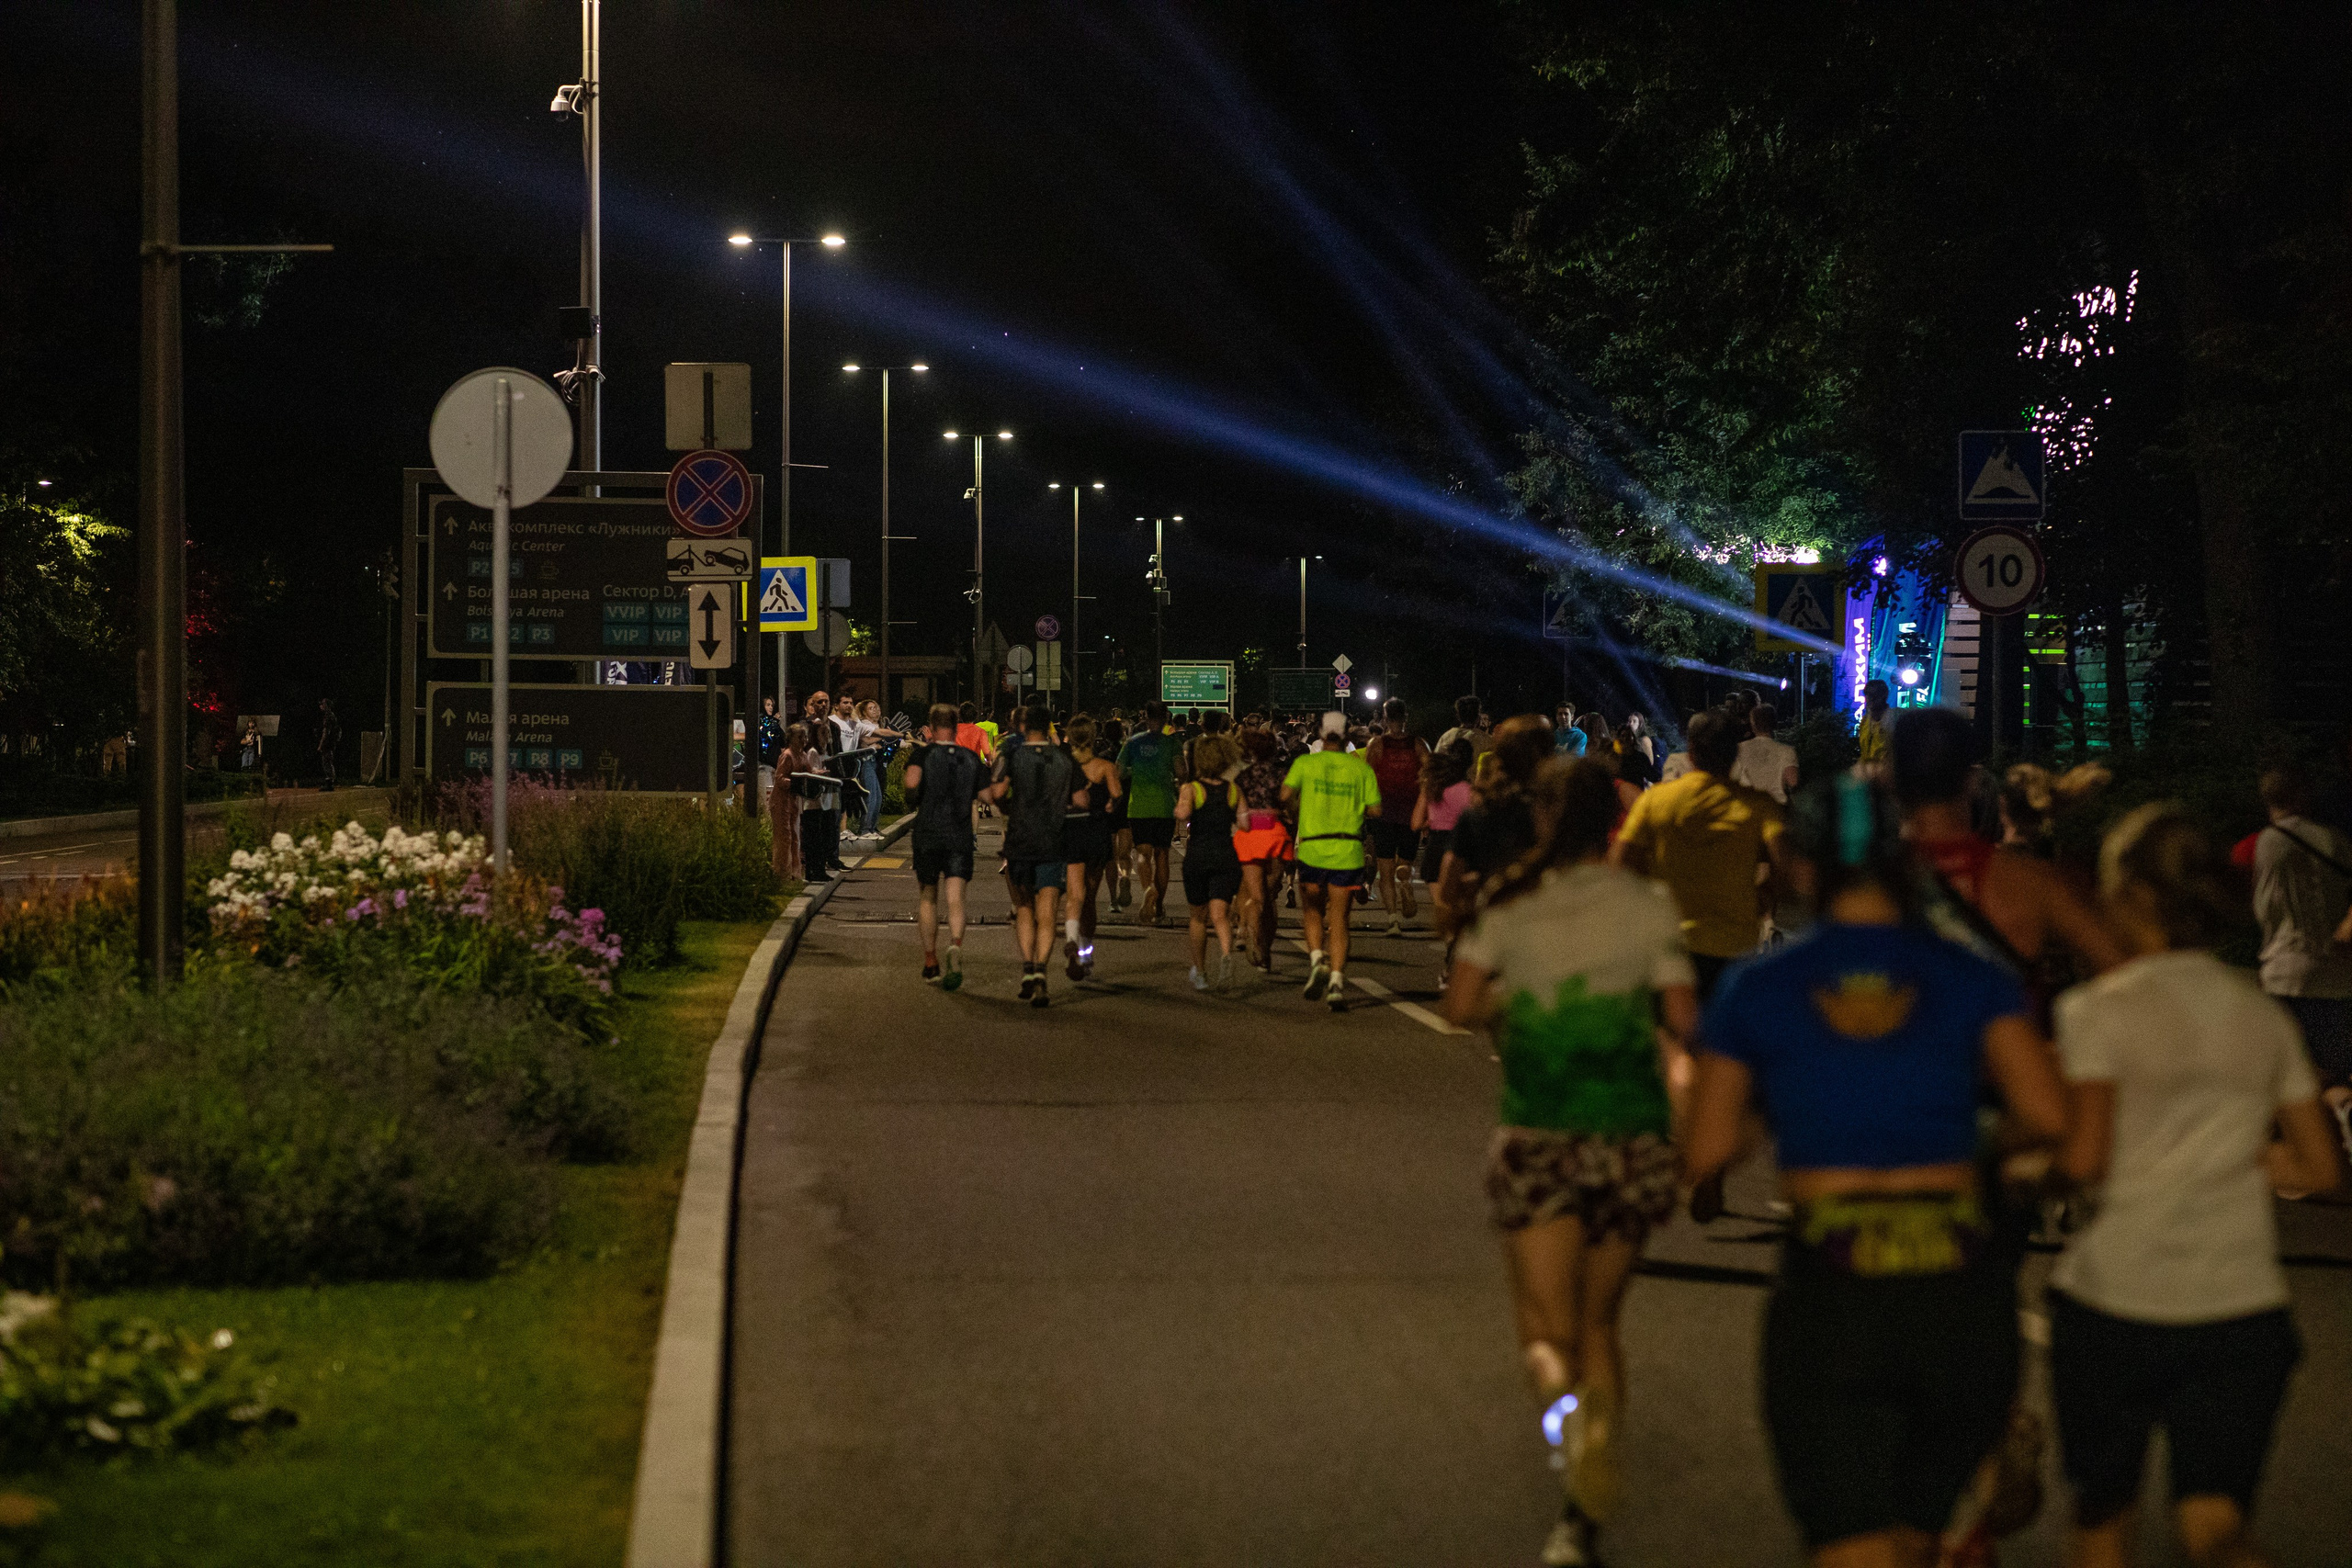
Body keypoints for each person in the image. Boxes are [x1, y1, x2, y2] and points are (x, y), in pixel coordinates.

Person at [1683, 776, 2069, 1568]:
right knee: (1915, 1536)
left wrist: (1788, 1106)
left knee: (1854, 1545)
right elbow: (2049, 1115)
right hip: (1961, 1289)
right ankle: (1978, 1482)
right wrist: (1965, 1133)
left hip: (1836, 1287)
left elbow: (1708, 1147)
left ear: (1798, 866)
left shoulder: (1761, 986)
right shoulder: (1972, 975)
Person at [2048, 803, 2346, 1568]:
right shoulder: (2262, 1018)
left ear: (2131, 896)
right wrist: (2236, 1158)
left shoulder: (2093, 1012)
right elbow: (2317, 1168)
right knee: (2216, 1530)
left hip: (2116, 1298)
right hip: (2241, 1309)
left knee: (2106, 1526)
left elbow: (2083, 1159)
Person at [1443, 759, 1698, 1568]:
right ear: (1613, 822)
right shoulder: (1649, 906)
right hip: (1630, 1133)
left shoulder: (1512, 901)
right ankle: (1582, 1511)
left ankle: (1566, 1417)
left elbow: (1459, 1006)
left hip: (1541, 1131)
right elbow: (1684, 1018)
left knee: (1545, 1328)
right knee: (1600, 1325)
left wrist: (1521, 1003)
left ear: (1542, 820)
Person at [1611, 709, 1783, 1004]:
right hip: (1735, 949)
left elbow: (1618, 868)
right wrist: (1762, 898)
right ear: (1734, 754)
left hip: (1669, 949)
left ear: (1690, 752)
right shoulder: (1760, 807)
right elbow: (1790, 871)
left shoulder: (1655, 800)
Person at [2248, 769, 2352, 1134]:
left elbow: (2265, 907)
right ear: (2303, 796)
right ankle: (2345, 1110)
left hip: (2286, 970)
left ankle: (2304, 1151)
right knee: (2334, 1067)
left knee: (2290, 1070)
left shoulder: (2269, 841)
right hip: (2338, 973)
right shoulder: (2336, 839)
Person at [1282, 712, 1382, 1010]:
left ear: (1321, 735)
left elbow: (1285, 794)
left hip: (1313, 848)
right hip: (1347, 850)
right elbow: (1375, 811)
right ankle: (1337, 981)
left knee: (1312, 912)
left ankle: (1316, 961)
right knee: (1340, 920)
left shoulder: (1306, 763)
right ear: (1347, 736)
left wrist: (1296, 810)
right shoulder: (1359, 769)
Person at [985, 704, 1074, 1007]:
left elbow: (996, 793)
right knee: (1048, 911)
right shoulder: (1064, 758)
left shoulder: (1011, 755)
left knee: (1023, 906)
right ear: (1049, 726)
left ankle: (1026, 967)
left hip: (1021, 838)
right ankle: (1041, 971)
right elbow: (1079, 799)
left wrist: (1009, 808)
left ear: (1023, 726)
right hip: (1053, 839)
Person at [902, 704, 984, 989]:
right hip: (959, 834)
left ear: (931, 726)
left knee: (927, 896)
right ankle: (956, 945)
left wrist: (917, 795)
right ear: (957, 725)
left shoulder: (922, 754)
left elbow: (911, 788)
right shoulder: (970, 758)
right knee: (956, 898)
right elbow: (985, 794)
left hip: (928, 832)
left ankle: (930, 961)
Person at [1175, 731, 1246, 991]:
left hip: (1198, 856)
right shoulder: (1233, 790)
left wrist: (1181, 807)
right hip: (1226, 855)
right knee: (1220, 915)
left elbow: (1182, 814)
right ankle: (1226, 955)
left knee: (1197, 917)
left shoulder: (1191, 789)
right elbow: (1245, 823)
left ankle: (1201, 973)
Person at [1060, 715, 1122, 982]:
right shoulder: (1105, 767)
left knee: (1074, 894)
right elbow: (1116, 796)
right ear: (1094, 736)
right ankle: (1085, 952)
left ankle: (1071, 938)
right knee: (1091, 897)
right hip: (1097, 833)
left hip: (1071, 831)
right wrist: (1109, 807)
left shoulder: (1063, 766)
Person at [1363, 698, 1428, 935]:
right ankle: (1406, 880)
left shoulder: (1376, 744)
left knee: (1385, 869)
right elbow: (1430, 776)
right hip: (1411, 811)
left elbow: (1367, 777)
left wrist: (1365, 807)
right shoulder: (1419, 744)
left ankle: (1393, 921)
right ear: (1406, 717)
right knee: (1405, 862)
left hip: (1383, 812)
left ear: (1385, 718)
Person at [1231, 728, 1293, 973]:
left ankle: (1251, 931)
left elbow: (1238, 810)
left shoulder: (1242, 778)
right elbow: (1290, 804)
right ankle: (1265, 950)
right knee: (1270, 894)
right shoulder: (1281, 775)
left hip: (1249, 836)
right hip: (1276, 834)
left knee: (1256, 896)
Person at [1116, 700, 1181, 926]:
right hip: (1164, 805)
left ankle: (1148, 889)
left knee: (1143, 853)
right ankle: (1160, 905)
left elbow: (1119, 771)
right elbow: (1182, 772)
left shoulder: (1132, 743)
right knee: (1163, 854)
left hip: (1139, 805)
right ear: (1165, 718)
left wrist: (1137, 770)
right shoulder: (1172, 743)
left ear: (1145, 716)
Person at [1732, 703, 1800, 805]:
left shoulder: (1740, 749)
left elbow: (1733, 778)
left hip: (1749, 807)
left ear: (1753, 724)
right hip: (1777, 807)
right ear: (1774, 723)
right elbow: (1793, 782)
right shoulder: (1787, 751)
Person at [768, 721, 808, 885]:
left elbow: (808, 771)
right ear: (791, 739)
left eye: (805, 737)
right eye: (800, 737)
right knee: (784, 837)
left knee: (795, 836)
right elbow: (780, 778)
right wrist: (795, 783)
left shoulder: (802, 755)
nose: (804, 740)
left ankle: (795, 872)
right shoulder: (787, 755)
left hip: (793, 801)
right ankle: (781, 872)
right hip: (781, 801)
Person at [1439, 694, 1494, 770]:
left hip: (1450, 781)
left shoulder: (1446, 737)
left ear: (1458, 716)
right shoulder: (1486, 740)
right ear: (1478, 717)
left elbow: (1437, 764)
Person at [1856, 679, 1893, 776]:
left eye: (1875, 695)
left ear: (1884, 696)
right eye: (1868, 694)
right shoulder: (1865, 721)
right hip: (1868, 775)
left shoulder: (1894, 718)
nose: (1871, 699)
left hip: (1886, 776)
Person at [756, 695, 786, 812]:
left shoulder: (773, 723)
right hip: (764, 766)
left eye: (772, 705)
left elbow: (783, 740)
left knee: (773, 801)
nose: (771, 707)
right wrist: (775, 721)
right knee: (766, 802)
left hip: (774, 766)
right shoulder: (762, 722)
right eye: (768, 705)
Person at [316, 697, 342, 792]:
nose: (321, 706)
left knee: (326, 762)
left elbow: (326, 732)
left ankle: (329, 783)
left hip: (328, 743)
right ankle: (330, 781)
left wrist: (320, 744)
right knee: (328, 761)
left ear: (326, 705)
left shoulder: (328, 716)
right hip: (331, 743)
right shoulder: (332, 716)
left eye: (322, 704)